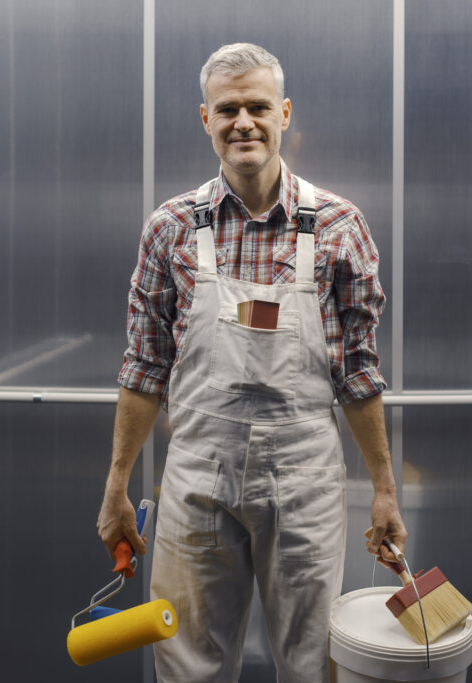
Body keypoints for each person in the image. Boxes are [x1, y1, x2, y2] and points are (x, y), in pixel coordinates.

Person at [97, 42, 407, 682]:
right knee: (188, 665)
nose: (244, 122)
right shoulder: (171, 228)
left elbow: (358, 373)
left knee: (313, 662)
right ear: (205, 119)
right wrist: (116, 483)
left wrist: (383, 489)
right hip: (197, 479)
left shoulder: (339, 227)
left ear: (284, 114)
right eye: (228, 109)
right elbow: (144, 368)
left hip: (305, 481)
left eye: (258, 107)